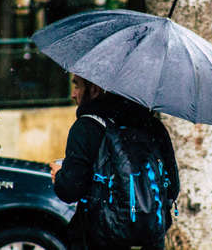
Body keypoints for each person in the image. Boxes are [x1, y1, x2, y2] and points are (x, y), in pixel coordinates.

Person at [50, 75, 179, 250]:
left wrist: (60, 176)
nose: (73, 94)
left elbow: (71, 190)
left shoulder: (87, 127)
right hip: (149, 239)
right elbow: (172, 188)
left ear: (94, 89)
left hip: (98, 239)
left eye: (77, 86)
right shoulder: (154, 126)